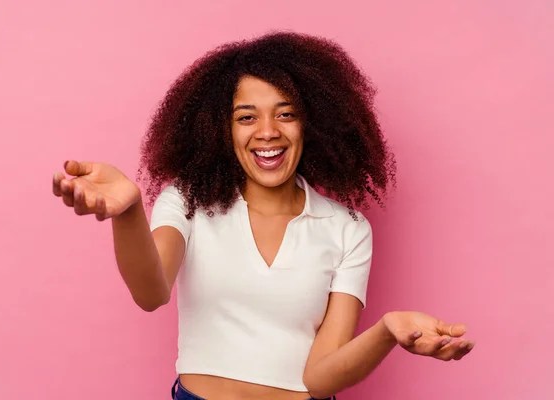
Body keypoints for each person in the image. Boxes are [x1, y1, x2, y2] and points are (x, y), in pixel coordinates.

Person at [51, 32, 474, 400]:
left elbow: (321, 379)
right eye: (246, 117)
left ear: (313, 125)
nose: (268, 131)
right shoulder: (187, 200)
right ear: (221, 129)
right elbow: (151, 292)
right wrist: (128, 213)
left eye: (286, 114)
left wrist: (387, 330)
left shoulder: (348, 229)